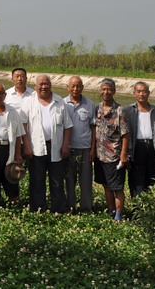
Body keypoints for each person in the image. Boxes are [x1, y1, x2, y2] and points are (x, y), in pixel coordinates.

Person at [21, 74, 72, 213]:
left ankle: (58, 209)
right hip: (36, 148)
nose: (44, 86)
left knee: (57, 180)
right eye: (41, 84)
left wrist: (65, 145)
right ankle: (38, 209)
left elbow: (68, 126)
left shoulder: (60, 101)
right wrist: (26, 146)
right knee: (37, 180)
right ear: (35, 86)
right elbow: (23, 125)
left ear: (51, 85)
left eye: (46, 84)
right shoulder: (28, 102)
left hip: (56, 147)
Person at [124, 81, 155, 198]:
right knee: (136, 181)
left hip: (152, 148)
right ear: (134, 93)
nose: (141, 94)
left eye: (144, 91)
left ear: (148, 93)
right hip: (136, 148)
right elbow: (123, 135)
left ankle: (151, 206)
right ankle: (137, 206)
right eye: (138, 91)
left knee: (152, 181)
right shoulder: (128, 111)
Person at [93, 78, 130, 221]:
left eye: (109, 89)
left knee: (117, 188)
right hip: (100, 156)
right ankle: (110, 211)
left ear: (114, 91)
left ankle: (119, 216)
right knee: (106, 185)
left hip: (114, 157)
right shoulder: (97, 109)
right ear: (99, 91)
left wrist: (123, 155)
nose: (106, 92)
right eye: (103, 89)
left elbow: (125, 135)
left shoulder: (120, 110)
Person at [64, 75, 96, 213]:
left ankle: (86, 209)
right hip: (68, 149)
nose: (75, 89)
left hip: (85, 149)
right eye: (73, 86)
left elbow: (93, 128)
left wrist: (93, 149)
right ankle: (70, 208)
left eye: (78, 86)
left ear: (82, 87)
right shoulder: (62, 103)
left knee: (86, 181)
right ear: (68, 87)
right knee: (69, 180)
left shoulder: (90, 104)